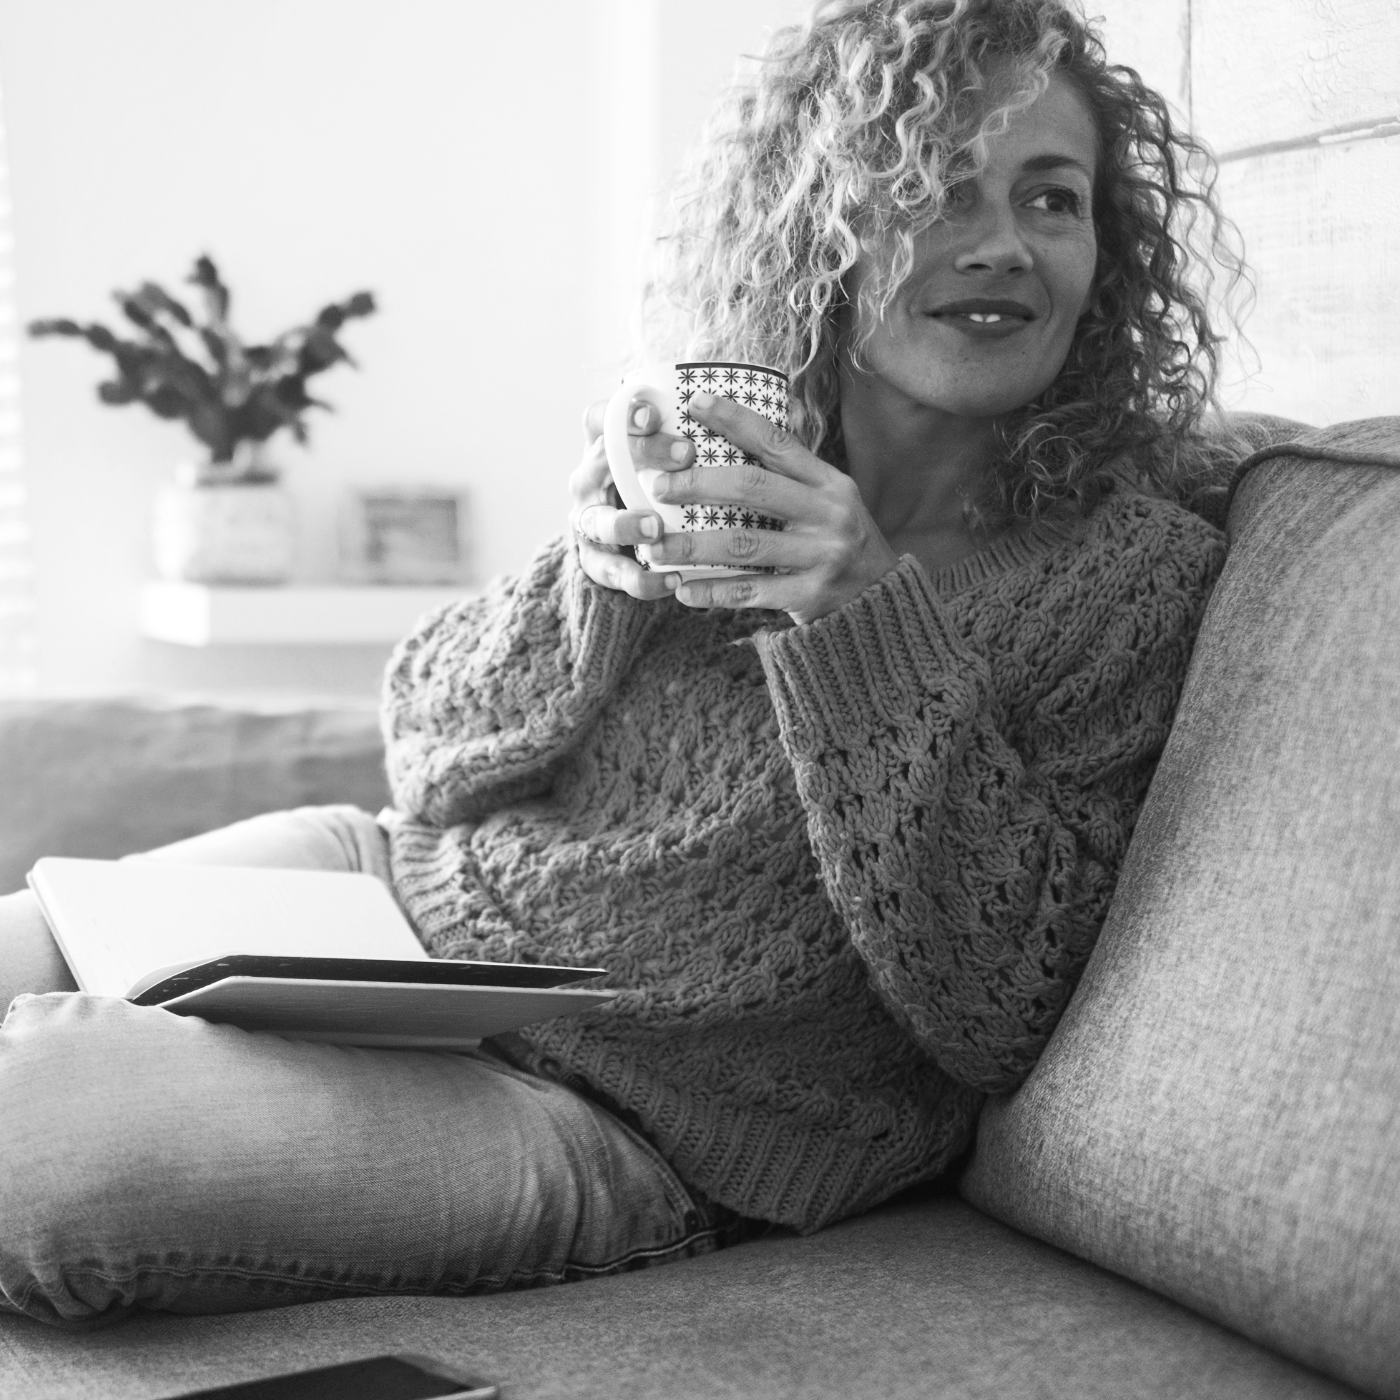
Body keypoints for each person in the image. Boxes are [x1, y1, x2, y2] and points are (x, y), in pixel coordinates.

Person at [0, 0, 1246, 1326]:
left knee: (34, 1146)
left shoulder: (1131, 575)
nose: (1002, 243)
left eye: (1051, 199)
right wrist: (586, 576)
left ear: (1104, 252)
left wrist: (860, 615)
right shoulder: (720, 454)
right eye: (938, 187)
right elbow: (428, 753)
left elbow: (1004, 1000)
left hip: (624, 1121)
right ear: (820, 229)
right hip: (381, 901)